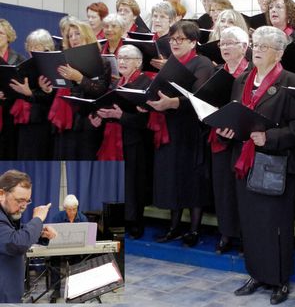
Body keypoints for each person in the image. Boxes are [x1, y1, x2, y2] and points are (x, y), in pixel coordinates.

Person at [216, 26, 295, 305]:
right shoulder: (242, 79)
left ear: (279, 53)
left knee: (275, 224)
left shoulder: (292, 82)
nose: (257, 50)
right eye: (255, 45)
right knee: (251, 223)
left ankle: (280, 279)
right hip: (245, 160)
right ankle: (257, 273)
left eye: (264, 46)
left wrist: (270, 137)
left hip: (275, 163)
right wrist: (228, 130)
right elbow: (236, 115)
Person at [147, 21, 214, 248]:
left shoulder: (202, 63)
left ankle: (194, 229)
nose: (174, 43)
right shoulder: (171, 63)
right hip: (170, 127)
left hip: (191, 130)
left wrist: (173, 102)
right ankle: (174, 226)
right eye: (172, 39)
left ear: (194, 41)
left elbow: (201, 97)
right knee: (173, 178)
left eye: (180, 39)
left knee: (192, 180)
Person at [91, 45, 152, 238]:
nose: (122, 61)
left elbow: (145, 120)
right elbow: (110, 107)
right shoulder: (117, 83)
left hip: (134, 140)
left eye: (127, 58)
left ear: (139, 62)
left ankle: (136, 221)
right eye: (119, 58)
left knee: (134, 183)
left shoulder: (145, 83)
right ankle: (120, 219)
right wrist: (99, 117)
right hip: (113, 138)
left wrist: (121, 115)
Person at [39, 17, 111, 160]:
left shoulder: (102, 61)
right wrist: (47, 89)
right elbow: (59, 88)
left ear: (87, 35)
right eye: (70, 36)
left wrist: (79, 78)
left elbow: (101, 90)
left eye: (77, 34)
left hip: (87, 122)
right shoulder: (62, 60)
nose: (74, 38)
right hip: (64, 120)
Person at [209, 26, 251, 254]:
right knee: (223, 187)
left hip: (245, 139)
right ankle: (226, 233)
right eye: (222, 43)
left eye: (230, 43)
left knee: (242, 190)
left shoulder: (253, 72)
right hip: (220, 135)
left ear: (244, 47)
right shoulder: (216, 72)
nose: (224, 47)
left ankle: (246, 236)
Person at [0, 169, 57, 303]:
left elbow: (13, 233)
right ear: (1, 194)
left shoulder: (6, 214)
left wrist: (41, 233)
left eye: (27, 201)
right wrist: (37, 219)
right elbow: (16, 243)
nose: (23, 206)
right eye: (20, 200)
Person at [8, 29, 55, 160]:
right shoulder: (25, 65)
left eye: (36, 46)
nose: (31, 49)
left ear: (46, 48)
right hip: (23, 120)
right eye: (30, 46)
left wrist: (31, 93)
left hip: (41, 120)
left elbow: (51, 97)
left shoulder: (51, 65)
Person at [49, 194, 88, 302]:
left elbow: (87, 238)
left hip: (76, 249)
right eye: (69, 210)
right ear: (65, 208)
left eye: (74, 209)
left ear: (77, 208)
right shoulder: (57, 218)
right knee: (54, 261)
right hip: (59, 248)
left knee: (78, 260)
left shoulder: (82, 218)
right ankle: (56, 290)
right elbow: (51, 236)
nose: (72, 212)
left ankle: (74, 289)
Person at [0, 19, 26, 160]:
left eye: (0, 33)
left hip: (10, 112)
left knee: (8, 151)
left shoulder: (19, 59)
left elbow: (22, 87)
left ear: (8, 37)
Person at [148, 2, 177, 71]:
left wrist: (168, 65)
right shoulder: (150, 38)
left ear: (171, 21)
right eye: (155, 16)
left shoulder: (174, 41)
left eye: (162, 17)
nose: (157, 20)